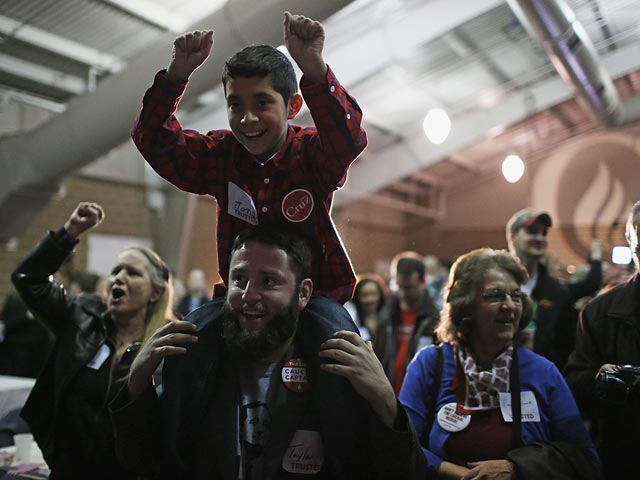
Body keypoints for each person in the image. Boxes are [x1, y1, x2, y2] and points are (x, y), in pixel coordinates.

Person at [110, 225, 426, 480]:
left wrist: (384, 399)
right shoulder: (194, 359)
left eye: (269, 281)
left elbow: (403, 471)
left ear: (303, 293)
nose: (249, 295)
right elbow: (140, 460)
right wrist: (137, 380)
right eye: (239, 279)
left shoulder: (338, 366)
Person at [131, 11, 366, 304]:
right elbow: (152, 139)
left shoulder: (309, 153)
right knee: (190, 342)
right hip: (239, 299)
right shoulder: (221, 155)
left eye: (263, 102)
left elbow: (348, 140)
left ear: (293, 107)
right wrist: (176, 76)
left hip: (312, 302)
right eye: (236, 105)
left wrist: (314, 68)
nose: (248, 118)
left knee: (342, 344)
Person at [400, 248, 601, 480]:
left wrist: (517, 468)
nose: (510, 305)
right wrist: (461, 475)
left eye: (516, 295)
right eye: (495, 295)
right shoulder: (430, 364)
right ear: (466, 305)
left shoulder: (542, 372)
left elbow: (585, 458)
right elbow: (402, 445)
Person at [11, 202, 174, 479]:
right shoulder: (81, 318)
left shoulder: (166, 346)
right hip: (67, 470)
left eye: (132, 273)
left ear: (155, 293)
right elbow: (29, 280)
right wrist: (69, 233)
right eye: (115, 271)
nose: (118, 278)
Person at [565, 200, 640, 479]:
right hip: (624, 454)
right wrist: (606, 382)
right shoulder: (600, 312)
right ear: (631, 242)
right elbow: (575, 383)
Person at [505, 209, 576, 369]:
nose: (540, 238)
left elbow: (567, 346)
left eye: (544, 233)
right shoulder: (495, 285)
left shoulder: (557, 292)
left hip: (540, 381)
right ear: (512, 236)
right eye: (532, 232)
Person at [377, 252, 439, 394]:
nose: (403, 293)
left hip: (419, 395)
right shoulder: (386, 316)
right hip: (388, 394)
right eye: (400, 287)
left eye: (410, 287)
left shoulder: (435, 319)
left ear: (424, 282)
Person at [344, 273, 387, 345]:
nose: (370, 299)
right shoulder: (352, 320)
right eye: (365, 295)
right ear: (357, 297)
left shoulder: (388, 317)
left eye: (374, 294)